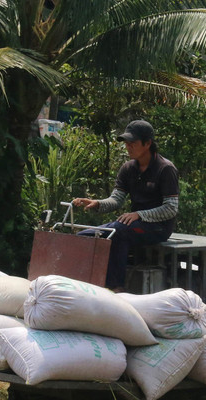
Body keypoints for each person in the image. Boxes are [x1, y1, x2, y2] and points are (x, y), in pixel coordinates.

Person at [72, 119, 179, 291]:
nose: (128, 147)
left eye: (132, 143)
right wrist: (96, 203)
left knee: (119, 231)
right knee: (87, 235)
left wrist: (140, 214)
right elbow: (116, 200)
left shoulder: (165, 169)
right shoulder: (128, 168)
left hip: (158, 228)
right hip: (133, 224)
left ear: (148, 143)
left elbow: (171, 209)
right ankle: (87, 285)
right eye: (126, 144)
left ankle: (116, 287)